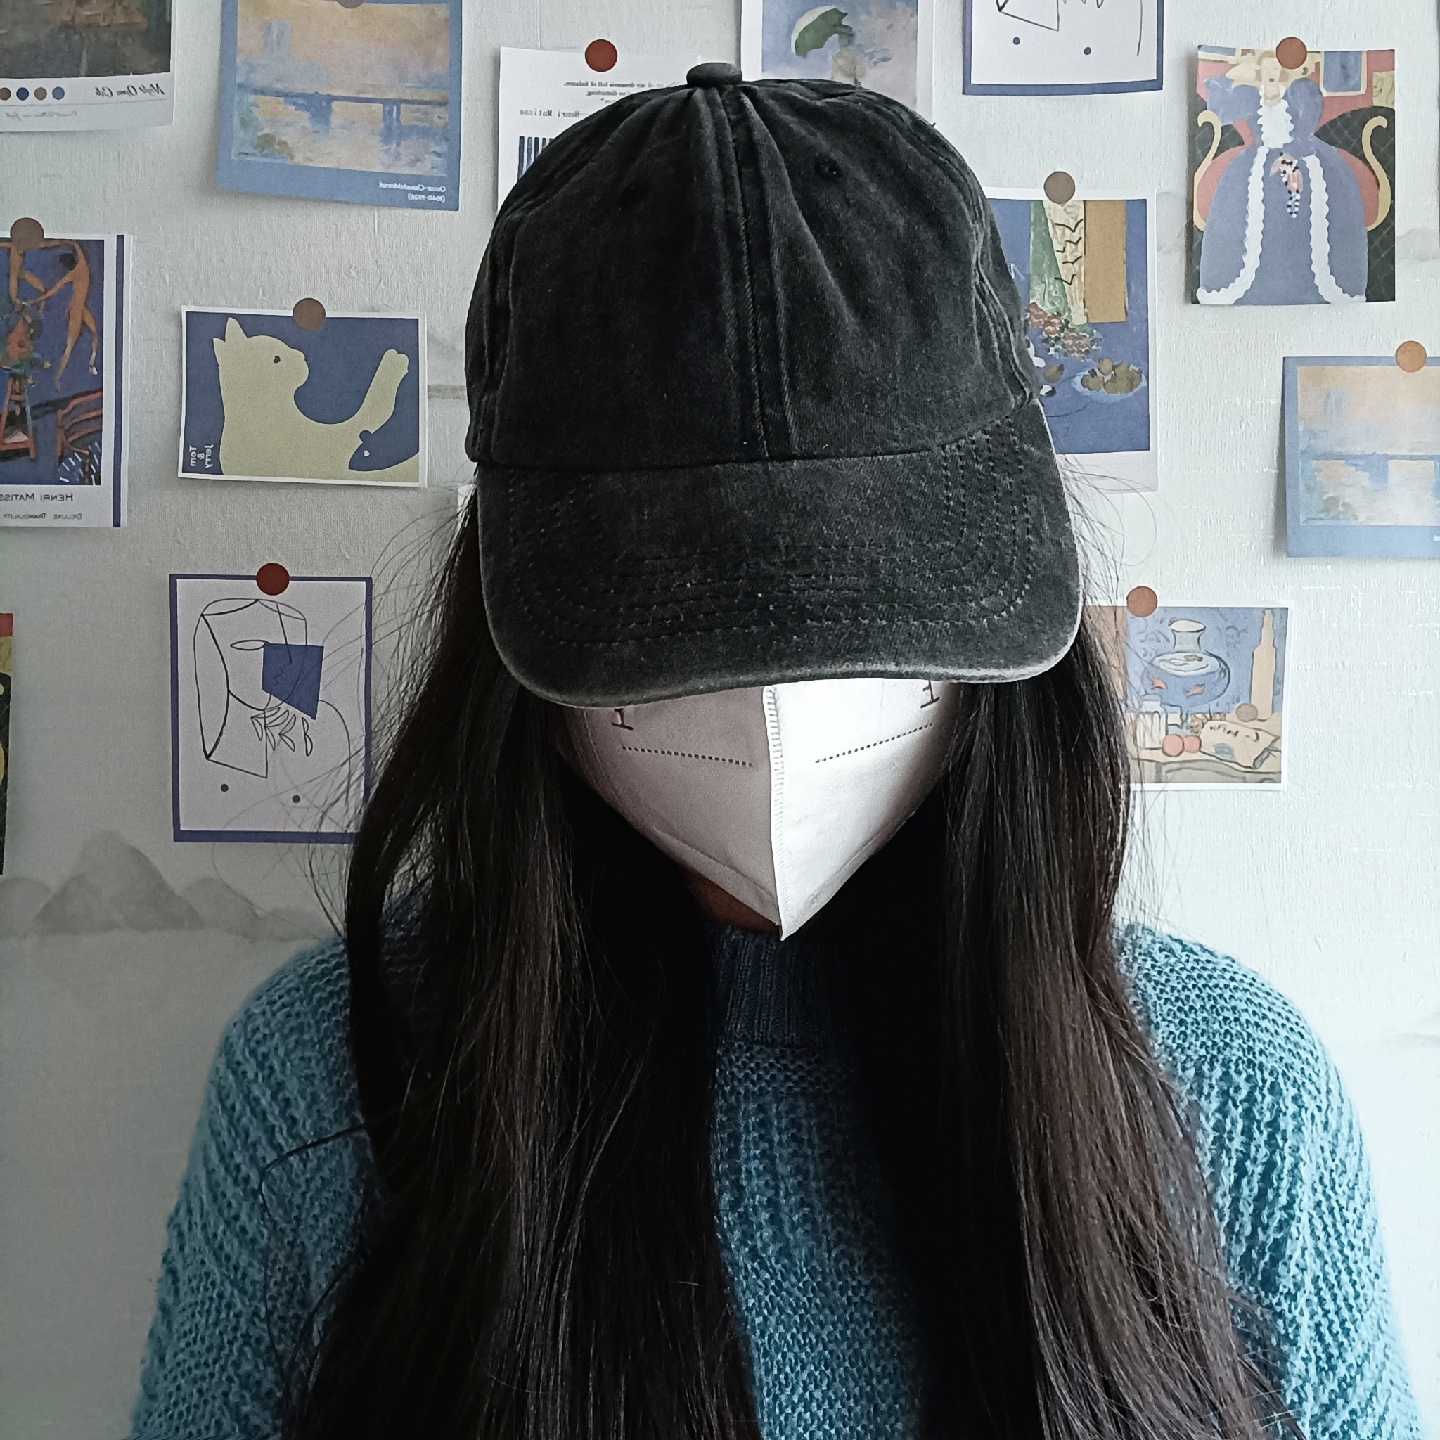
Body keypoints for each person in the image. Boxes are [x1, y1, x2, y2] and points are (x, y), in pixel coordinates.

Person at [128, 65, 1422, 1440]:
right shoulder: (333, 1086)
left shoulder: (1233, 1092)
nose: (777, 704)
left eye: (865, 615)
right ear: (510, 632)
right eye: (678, 618)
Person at [1197, 50, 1369, 305]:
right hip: (1257, 163)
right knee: (1245, 206)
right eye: (1266, 69)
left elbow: (1307, 125)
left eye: (1276, 68)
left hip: (1304, 157)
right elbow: (1220, 109)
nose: (1272, 73)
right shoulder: (1251, 95)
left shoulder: (1300, 91)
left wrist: (1291, 156)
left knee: (1303, 209)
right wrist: (1233, 76)